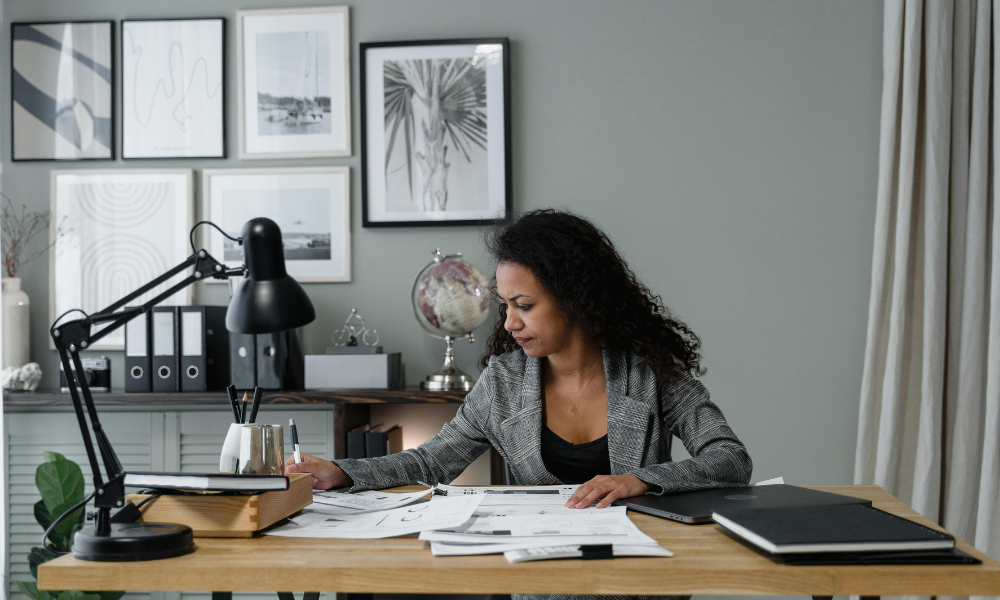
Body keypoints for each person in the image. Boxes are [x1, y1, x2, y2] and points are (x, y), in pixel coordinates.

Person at [288, 209, 752, 600]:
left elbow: (730, 458)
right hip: (539, 584)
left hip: (637, 582)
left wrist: (639, 480)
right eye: (504, 304)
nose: (508, 322)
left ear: (575, 299)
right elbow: (432, 461)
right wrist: (344, 472)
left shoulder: (649, 373)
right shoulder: (503, 383)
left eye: (523, 305)